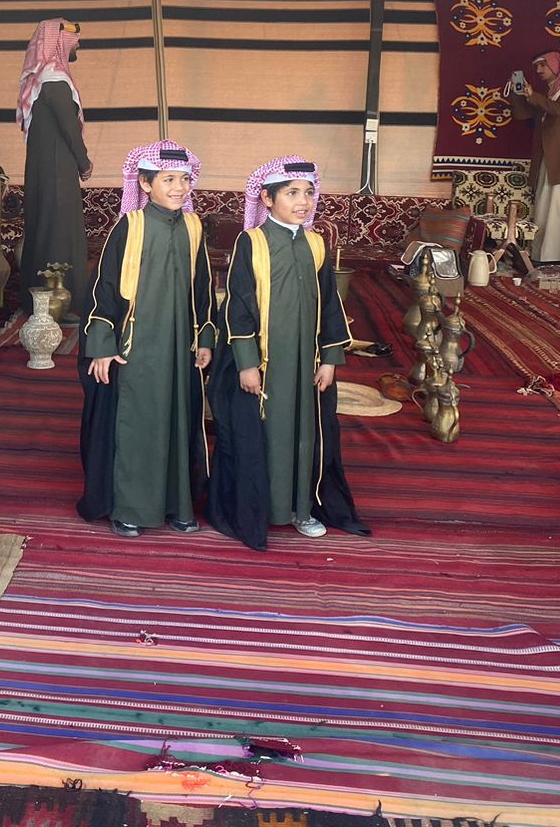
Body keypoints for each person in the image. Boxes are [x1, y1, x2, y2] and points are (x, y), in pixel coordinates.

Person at [207, 156, 367, 550]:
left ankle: (303, 509)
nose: (303, 202)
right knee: (267, 435)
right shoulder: (252, 242)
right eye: (292, 193)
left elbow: (330, 305)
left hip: (307, 365)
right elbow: (238, 307)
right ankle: (265, 509)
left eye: (308, 193)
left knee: (305, 435)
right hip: (266, 365)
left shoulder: (315, 244)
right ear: (267, 197)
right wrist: (247, 364)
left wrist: (330, 359)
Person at [77, 140, 215, 538]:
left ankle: (178, 506)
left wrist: (206, 338)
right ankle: (130, 508)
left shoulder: (193, 227)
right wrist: (102, 347)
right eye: (168, 180)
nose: (179, 188)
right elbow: (103, 289)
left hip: (181, 349)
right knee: (139, 426)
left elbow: (204, 289)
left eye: (184, 179)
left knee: (179, 424)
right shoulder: (130, 226)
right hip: (136, 350)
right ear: (144, 183)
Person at [18, 18, 91, 316]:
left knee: (46, 229)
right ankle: (62, 304)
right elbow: (69, 128)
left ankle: (38, 302)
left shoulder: (43, 81)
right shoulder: (54, 81)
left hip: (46, 169)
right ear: (58, 42)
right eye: (73, 40)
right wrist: (84, 162)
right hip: (57, 170)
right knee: (59, 233)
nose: (77, 45)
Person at [509, 50, 560, 263]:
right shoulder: (549, 93)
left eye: (542, 65)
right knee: (547, 206)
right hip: (550, 156)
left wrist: (533, 96)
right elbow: (522, 114)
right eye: (536, 66)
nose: (538, 70)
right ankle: (545, 256)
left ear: (555, 64)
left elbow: (559, 109)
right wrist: (518, 93)